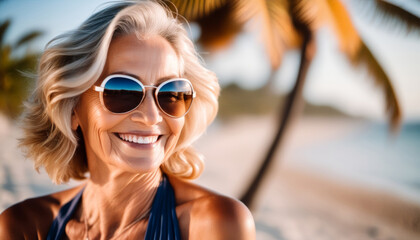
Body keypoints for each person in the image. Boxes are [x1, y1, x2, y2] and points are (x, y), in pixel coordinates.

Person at [0, 1, 255, 239]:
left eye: (170, 94)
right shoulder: (27, 225)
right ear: (73, 109)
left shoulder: (214, 224)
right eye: (122, 91)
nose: (151, 116)